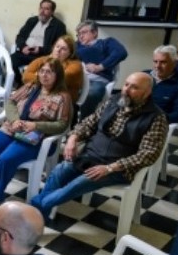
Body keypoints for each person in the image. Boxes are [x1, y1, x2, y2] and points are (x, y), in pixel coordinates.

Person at [31, 72, 168, 219]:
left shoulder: (156, 118)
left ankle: (34, 209)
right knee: (60, 170)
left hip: (117, 168)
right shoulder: (114, 101)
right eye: (126, 84)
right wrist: (73, 139)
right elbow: (88, 123)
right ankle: (38, 216)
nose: (126, 90)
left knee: (78, 183)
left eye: (134, 87)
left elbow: (148, 154)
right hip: (90, 156)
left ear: (147, 93)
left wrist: (110, 168)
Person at [0, 57, 72, 213]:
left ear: (57, 75)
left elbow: (63, 125)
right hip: (13, 129)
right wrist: (15, 120)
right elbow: (10, 102)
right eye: (42, 71)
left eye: (50, 72)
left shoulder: (62, 97)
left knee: (6, 158)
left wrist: (36, 125)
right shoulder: (31, 87)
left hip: (36, 139)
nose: (44, 75)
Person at [75, 20, 128, 119]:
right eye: (78, 34)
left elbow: (122, 52)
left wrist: (100, 66)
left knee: (92, 93)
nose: (80, 36)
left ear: (95, 32)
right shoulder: (76, 46)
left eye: (83, 32)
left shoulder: (106, 43)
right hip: (78, 79)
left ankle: (83, 123)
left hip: (96, 80)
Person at [11, 0, 67, 86]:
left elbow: (58, 47)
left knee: (35, 68)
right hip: (25, 52)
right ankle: (20, 82)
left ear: (52, 12)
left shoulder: (58, 26)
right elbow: (20, 37)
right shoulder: (32, 21)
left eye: (46, 9)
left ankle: (25, 86)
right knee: (9, 61)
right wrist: (23, 47)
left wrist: (40, 50)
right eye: (41, 8)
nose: (42, 11)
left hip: (41, 56)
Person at [22, 35, 84, 102]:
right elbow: (25, 76)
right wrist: (45, 77)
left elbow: (57, 81)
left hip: (62, 102)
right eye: (57, 46)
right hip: (40, 95)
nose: (58, 50)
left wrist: (38, 74)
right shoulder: (43, 59)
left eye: (63, 49)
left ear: (70, 53)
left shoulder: (76, 65)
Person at [145, 46, 178, 124]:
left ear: (175, 63)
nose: (158, 66)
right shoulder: (144, 75)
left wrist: (157, 120)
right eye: (155, 61)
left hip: (155, 123)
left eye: (163, 62)